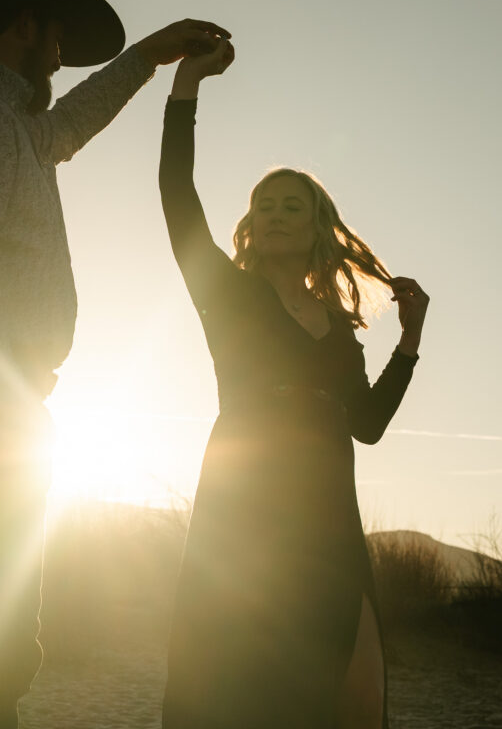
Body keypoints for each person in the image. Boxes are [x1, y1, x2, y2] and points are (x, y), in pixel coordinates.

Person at [0, 0, 230, 729]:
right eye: (59, 38)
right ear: (27, 24)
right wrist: (10, 408)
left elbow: (70, 123)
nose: (65, 55)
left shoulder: (6, 116)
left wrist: (150, 56)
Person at [158, 38, 429, 729]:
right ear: (249, 226)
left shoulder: (340, 329)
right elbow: (175, 194)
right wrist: (185, 87)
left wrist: (409, 341)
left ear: (317, 229)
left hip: (330, 512)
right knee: (245, 680)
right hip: (246, 503)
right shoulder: (226, 292)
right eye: (265, 205)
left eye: (292, 207)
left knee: (357, 692)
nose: (276, 214)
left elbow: (365, 424)